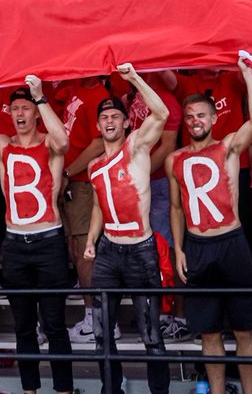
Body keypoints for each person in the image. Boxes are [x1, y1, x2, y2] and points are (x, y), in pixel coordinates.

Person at [0, 76, 73, 394]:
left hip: (48, 240)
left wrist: (41, 98)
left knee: (54, 325)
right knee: (24, 326)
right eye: (16, 108)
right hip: (17, 243)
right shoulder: (1, 143)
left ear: (35, 112)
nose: (20, 113)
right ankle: (30, 391)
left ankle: (63, 390)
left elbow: (63, 142)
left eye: (26, 108)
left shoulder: (49, 143)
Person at [167, 59, 252, 394]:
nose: (195, 122)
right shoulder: (175, 158)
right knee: (208, 333)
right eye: (190, 116)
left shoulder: (228, 147)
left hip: (232, 244)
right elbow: (177, 207)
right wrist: (179, 248)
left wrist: (249, 76)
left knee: (243, 330)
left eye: (201, 116)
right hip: (197, 247)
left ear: (213, 118)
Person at [81, 66, 173, 394]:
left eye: (115, 117)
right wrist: (91, 240)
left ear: (125, 122)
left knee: (151, 335)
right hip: (108, 251)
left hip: (141, 250)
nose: (109, 122)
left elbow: (161, 112)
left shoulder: (135, 147)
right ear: (97, 125)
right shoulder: (94, 166)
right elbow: (98, 206)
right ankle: (111, 390)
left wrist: (133, 78)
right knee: (103, 334)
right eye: (104, 117)